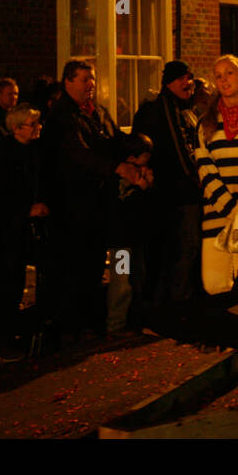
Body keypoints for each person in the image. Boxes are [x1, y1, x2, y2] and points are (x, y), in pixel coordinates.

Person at [40, 61, 144, 339]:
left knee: (94, 265)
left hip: (98, 204)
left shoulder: (98, 112)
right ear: (68, 82)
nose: (91, 85)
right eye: (85, 79)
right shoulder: (62, 117)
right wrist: (117, 168)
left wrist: (138, 149)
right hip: (73, 205)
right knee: (76, 267)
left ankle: (89, 322)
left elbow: (114, 140)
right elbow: (79, 154)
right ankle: (70, 327)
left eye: (93, 79)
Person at [133, 61, 202, 311]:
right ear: (169, 82)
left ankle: (169, 300)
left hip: (174, 193)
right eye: (182, 78)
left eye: (190, 77)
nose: (188, 83)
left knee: (178, 249)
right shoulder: (166, 110)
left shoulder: (183, 110)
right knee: (183, 248)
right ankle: (176, 301)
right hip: (177, 193)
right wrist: (196, 180)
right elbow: (181, 149)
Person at [0, 104, 48, 361]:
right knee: (5, 286)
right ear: (17, 128)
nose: (38, 128)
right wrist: (26, 210)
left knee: (17, 284)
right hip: (4, 233)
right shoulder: (3, 156)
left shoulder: (31, 152)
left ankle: (12, 334)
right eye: (33, 124)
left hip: (20, 230)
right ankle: (1, 340)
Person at [195, 55, 238, 295]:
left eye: (229, 73)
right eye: (219, 76)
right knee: (214, 285)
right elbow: (205, 169)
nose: (224, 80)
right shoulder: (206, 124)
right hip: (217, 214)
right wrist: (230, 209)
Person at [106, 133, 154, 335]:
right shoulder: (123, 176)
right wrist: (141, 189)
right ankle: (116, 323)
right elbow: (124, 205)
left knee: (135, 278)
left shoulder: (136, 172)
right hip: (122, 241)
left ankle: (131, 319)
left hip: (132, 238)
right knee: (121, 281)